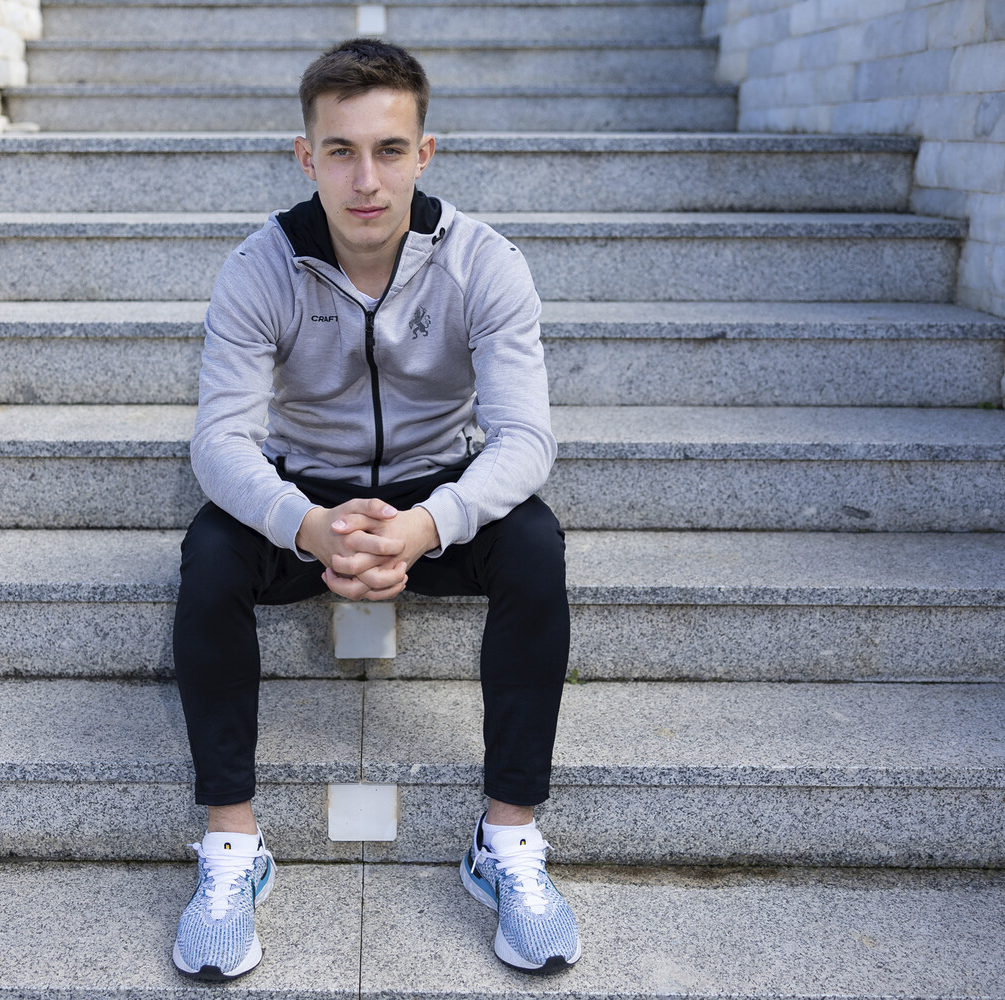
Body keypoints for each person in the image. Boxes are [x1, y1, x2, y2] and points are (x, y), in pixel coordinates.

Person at [170, 37, 579, 980]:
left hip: (434, 492)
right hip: (308, 490)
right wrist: (307, 527)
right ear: (305, 156)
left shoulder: (484, 262)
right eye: (341, 151)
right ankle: (232, 846)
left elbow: (525, 439)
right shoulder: (259, 267)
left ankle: (507, 841)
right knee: (211, 553)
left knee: (534, 544)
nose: (366, 179)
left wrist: (429, 525)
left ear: (423, 154)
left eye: (390, 150)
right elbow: (221, 442)